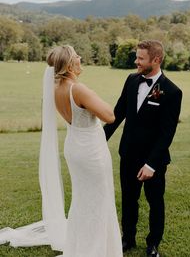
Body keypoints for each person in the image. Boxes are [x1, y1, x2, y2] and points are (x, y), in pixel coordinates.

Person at [0, 45, 123, 257]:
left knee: (83, 200)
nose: (81, 57)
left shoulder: (56, 89)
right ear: (68, 65)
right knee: (98, 200)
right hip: (90, 151)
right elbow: (110, 116)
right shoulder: (79, 89)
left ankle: (81, 247)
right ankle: (97, 250)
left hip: (75, 146)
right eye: (77, 56)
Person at [104, 40, 182, 257]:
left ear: (156, 60)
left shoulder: (172, 92)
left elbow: (167, 134)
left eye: (140, 58)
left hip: (152, 161)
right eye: (136, 57)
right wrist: (99, 140)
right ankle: (127, 239)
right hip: (127, 154)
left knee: (155, 202)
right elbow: (117, 114)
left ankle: (153, 244)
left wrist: (151, 164)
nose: (135, 61)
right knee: (129, 200)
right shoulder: (131, 80)